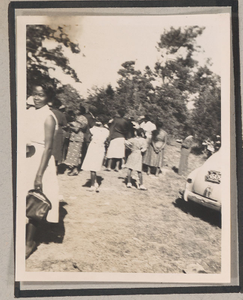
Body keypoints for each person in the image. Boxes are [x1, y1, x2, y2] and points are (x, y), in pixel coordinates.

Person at [25, 83, 59, 259]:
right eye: (34, 94)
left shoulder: (48, 117)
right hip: (25, 158)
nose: (37, 98)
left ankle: (29, 243)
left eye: (41, 95)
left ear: (49, 98)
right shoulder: (30, 112)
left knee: (35, 201)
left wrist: (39, 175)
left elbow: (48, 148)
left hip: (40, 161)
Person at [81, 116, 110, 192]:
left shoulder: (93, 130)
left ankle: (93, 185)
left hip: (94, 147)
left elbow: (88, 137)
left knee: (92, 167)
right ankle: (95, 182)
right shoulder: (107, 131)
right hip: (100, 148)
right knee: (95, 166)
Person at [65, 105, 88, 176]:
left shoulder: (81, 118)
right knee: (73, 153)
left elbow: (76, 128)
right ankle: (74, 168)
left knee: (75, 154)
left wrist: (70, 125)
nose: (75, 111)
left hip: (77, 138)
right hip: (75, 138)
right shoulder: (79, 118)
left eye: (77, 109)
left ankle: (75, 169)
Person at [50, 99, 67, 170]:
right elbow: (65, 125)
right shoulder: (61, 114)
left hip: (50, 130)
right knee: (57, 149)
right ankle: (56, 168)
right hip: (59, 132)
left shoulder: (49, 112)